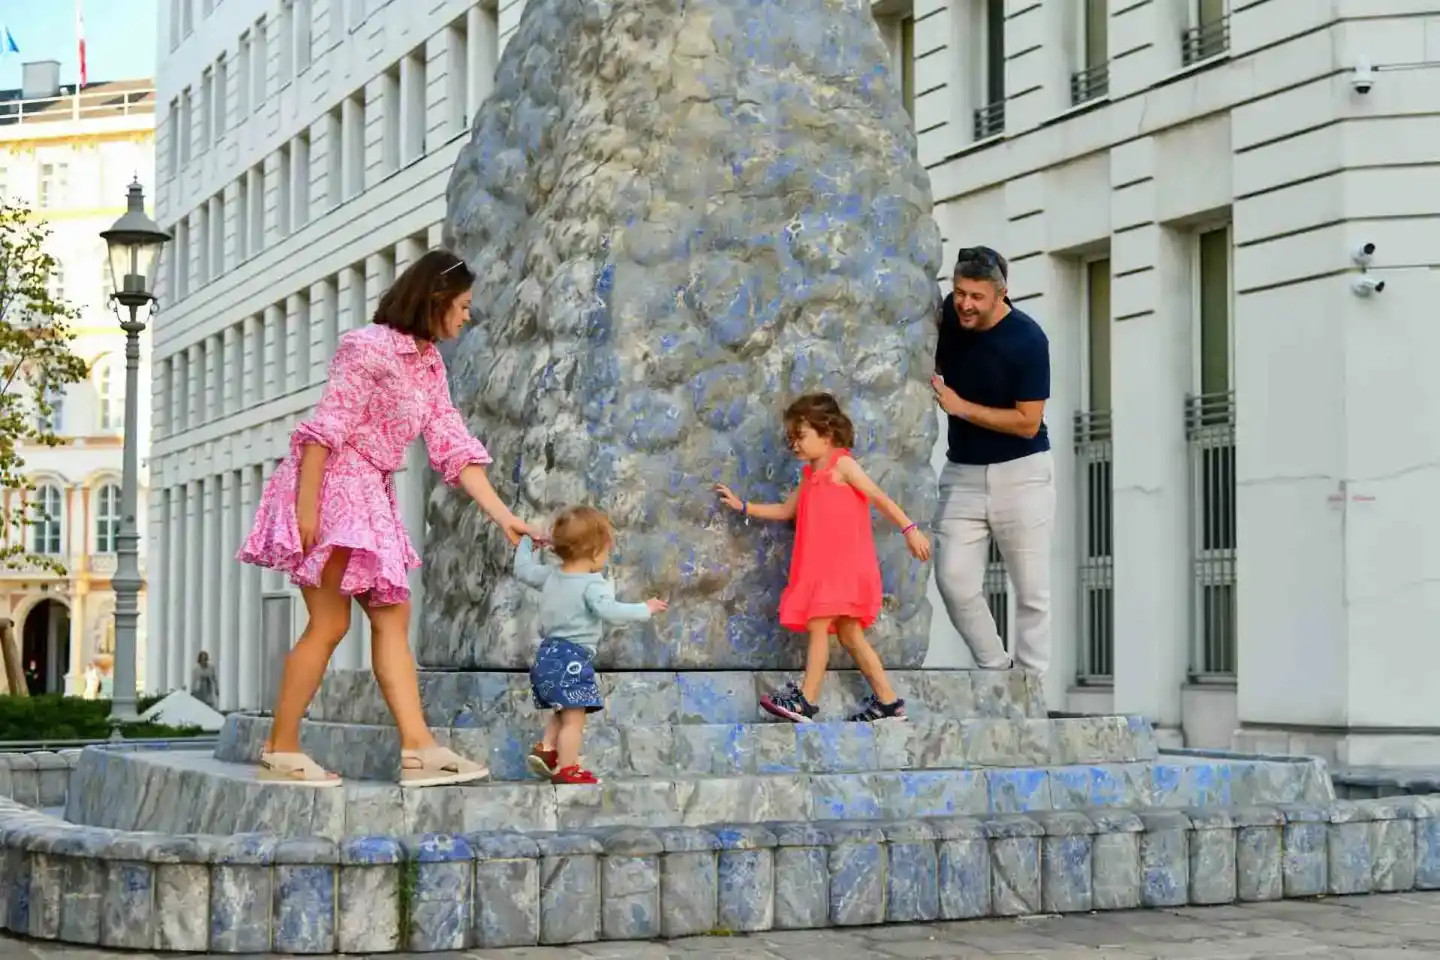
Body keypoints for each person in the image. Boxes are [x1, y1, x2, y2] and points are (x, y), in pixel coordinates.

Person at [237, 248, 544, 788]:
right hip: (333, 482)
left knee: (390, 617)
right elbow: (325, 429)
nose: (468, 317)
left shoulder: (429, 365)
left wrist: (505, 516)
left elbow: (453, 445)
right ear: (438, 299)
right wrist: (307, 511)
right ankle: (282, 747)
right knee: (332, 623)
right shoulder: (367, 347)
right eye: (464, 305)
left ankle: (417, 748)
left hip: (370, 489)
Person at [713, 393, 932, 723]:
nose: (794, 445)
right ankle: (889, 702)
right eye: (791, 438)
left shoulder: (842, 465)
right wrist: (743, 506)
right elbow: (787, 511)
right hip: (821, 567)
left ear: (827, 434)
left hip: (843, 566)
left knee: (818, 623)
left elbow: (879, 497)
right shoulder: (810, 475)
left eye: (800, 436)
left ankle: (807, 700)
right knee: (849, 635)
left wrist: (909, 528)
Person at [930, 246, 1056, 673]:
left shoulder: (1027, 339)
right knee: (953, 579)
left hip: (1022, 474)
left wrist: (960, 407)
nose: (965, 304)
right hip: (962, 472)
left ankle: (1030, 687)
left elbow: (1027, 421)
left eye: (976, 297)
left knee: (1032, 592)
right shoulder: (950, 315)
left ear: (1001, 294)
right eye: (960, 292)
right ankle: (997, 671)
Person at [514, 506, 667, 785]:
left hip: (546, 655)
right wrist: (644, 609)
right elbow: (611, 612)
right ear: (595, 552)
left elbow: (522, 570)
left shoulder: (550, 575)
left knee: (563, 707)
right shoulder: (592, 584)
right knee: (575, 718)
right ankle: (567, 767)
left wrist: (526, 541)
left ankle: (547, 749)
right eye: (607, 552)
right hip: (573, 657)